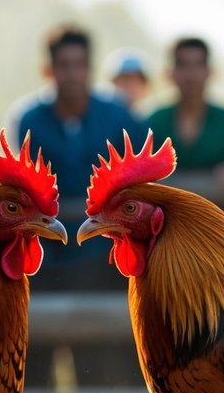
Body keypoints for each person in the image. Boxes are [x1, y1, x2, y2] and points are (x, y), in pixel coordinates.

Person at [10, 24, 146, 289]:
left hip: (104, 242)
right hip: (47, 242)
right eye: (64, 65)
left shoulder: (119, 116)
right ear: (48, 70)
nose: (72, 74)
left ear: (89, 69)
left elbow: (142, 179)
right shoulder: (30, 120)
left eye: (79, 64)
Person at [146, 37, 224, 193]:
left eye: (198, 65)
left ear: (210, 71)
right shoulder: (152, 123)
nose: (191, 74)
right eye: (183, 65)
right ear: (170, 73)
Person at [106, 48, 150, 118]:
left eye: (136, 81)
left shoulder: (145, 117)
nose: (131, 86)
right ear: (113, 82)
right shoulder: (98, 114)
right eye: (125, 80)